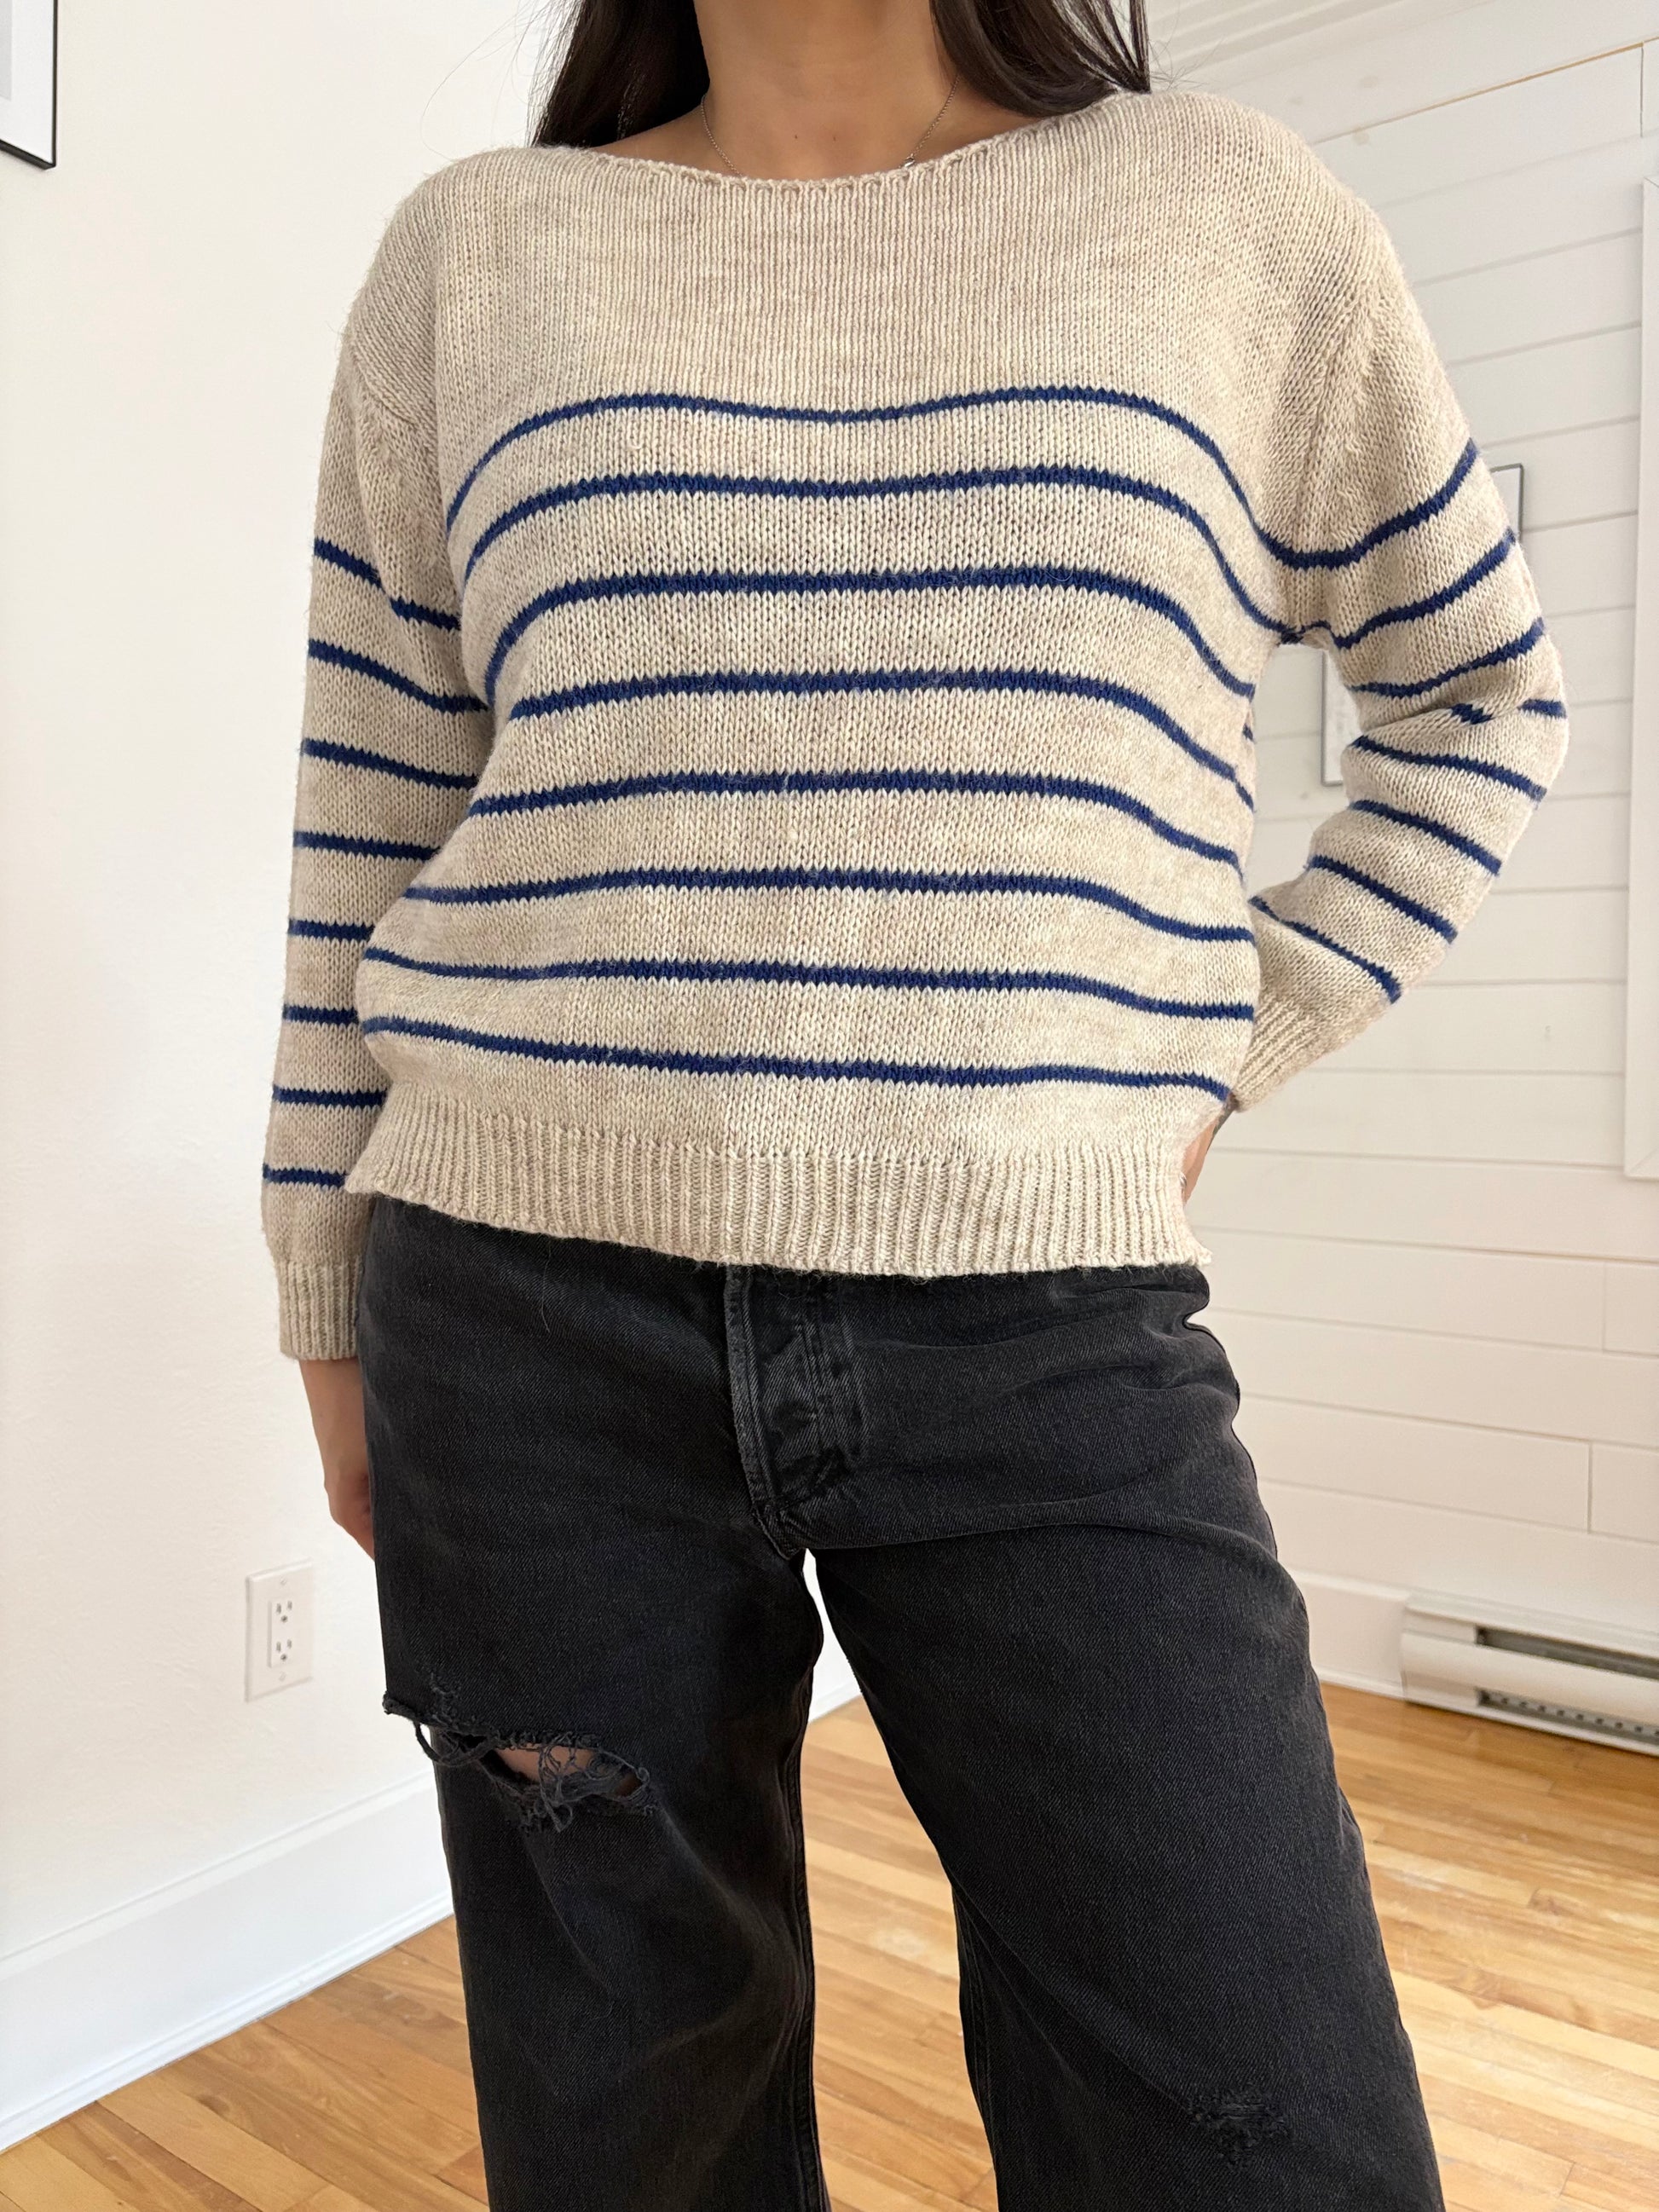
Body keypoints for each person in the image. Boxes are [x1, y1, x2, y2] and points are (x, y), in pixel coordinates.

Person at [263, 2, 1566, 2203]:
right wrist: (322, 1289)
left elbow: (1481, 692)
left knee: (1265, 2129)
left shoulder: (1223, 215)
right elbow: (370, 812)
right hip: (523, 1324)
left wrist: (1220, 1035)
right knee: (631, 2141)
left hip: (1043, 1323)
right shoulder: (477, 254)